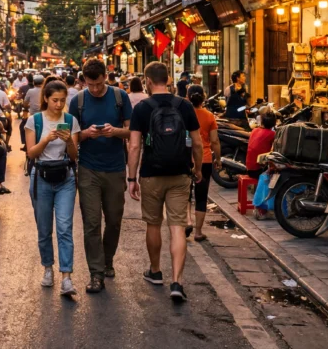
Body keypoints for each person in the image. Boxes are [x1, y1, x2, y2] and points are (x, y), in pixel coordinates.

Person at [127, 62, 202, 302]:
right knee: (178, 226)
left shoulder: (141, 109)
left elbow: (135, 145)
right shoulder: (185, 105)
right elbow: (198, 143)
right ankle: (177, 282)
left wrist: (132, 178)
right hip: (180, 174)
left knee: (153, 224)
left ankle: (156, 270)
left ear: (148, 81)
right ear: (169, 80)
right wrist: (197, 169)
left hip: (151, 173)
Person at [69, 59, 133, 294]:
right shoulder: (78, 101)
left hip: (116, 168)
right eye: (90, 84)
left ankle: (107, 260)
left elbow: (132, 131)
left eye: (98, 83)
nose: (94, 89)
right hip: (88, 169)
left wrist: (115, 131)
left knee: (114, 220)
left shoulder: (120, 97)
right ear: (83, 81)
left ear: (106, 76)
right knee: (92, 223)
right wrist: (85, 134)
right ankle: (96, 273)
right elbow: (71, 138)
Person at [26, 80, 80, 297]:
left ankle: (66, 276)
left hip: (65, 177)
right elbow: (31, 153)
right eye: (55, 100)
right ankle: (47, 267)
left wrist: (69, 142)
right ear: (46, 99)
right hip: (41, 177)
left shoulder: (71, 121)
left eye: (62, 100)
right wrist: (47, 139)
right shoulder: (34, 121)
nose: (59, 105)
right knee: (44, 228)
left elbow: (74, 156)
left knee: (65, 227)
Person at [187, 85, 220, 241]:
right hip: (205, 159)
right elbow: (214, 141)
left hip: (186, 158)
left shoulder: (184, 114)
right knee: (201, 195)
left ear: (188, 97)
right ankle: (198, 232)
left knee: (185, 193)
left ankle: (187, 221)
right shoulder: (209, 116)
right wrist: (218, 159)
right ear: (204, 98)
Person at [246, 108, 277, 181]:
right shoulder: (272, 134)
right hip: (258, 171)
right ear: (274, 123)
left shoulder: (254, 130)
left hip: (249, 169)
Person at [20, 75, 45, 151]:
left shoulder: (30, 91)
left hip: (33, 116)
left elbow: (25, 103)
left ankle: (26, 144)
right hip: (44, 115)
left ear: (34, 83)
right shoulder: (46, 91)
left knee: (22, 127)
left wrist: (27, 106)